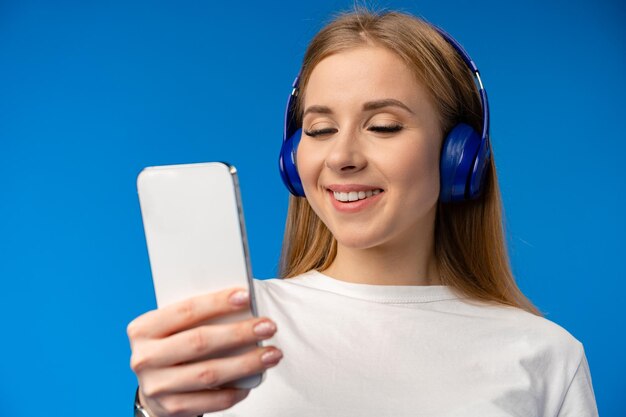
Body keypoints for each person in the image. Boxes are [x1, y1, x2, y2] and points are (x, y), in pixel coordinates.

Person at [127, 8, 599, 417]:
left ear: (459, 157)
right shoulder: (230, 324)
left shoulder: (546, 355)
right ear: (294, 159)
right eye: (320, 129)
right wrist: (153, 411)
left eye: (383, 126)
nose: (341, 157)